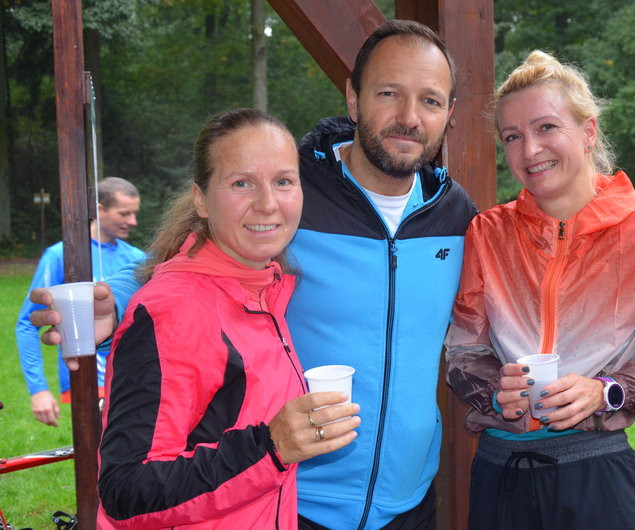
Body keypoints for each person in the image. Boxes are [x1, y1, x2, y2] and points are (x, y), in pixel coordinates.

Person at [30, 20, 476, 529]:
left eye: (431, 101)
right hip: (288, 497)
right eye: (389, 93)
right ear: (353, 99)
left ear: (450, 115)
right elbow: (199, 253)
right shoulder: (288, 193)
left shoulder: (455, 213)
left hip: (410, 504)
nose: (409, 117)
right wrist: (123, 295)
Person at [443, 50, 635, 529]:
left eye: (546, 128)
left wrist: (608, 391)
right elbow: (463, 351)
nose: (529, 150)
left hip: (596, 471)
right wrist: (495, 390)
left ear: (588, 131)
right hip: (501, 472)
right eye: (513, 137)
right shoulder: (486, 233)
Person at [95, 108, 359, 528]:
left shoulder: (263, 288)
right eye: (242, 183)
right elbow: (126, 490)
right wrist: (271, 447)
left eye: (283, 182)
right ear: (201, 199)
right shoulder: (176, 309)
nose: (268, 203)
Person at [16, 176, 145, 426]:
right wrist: (39, 389)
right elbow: (26, 324)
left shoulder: (138, 258)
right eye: (124, 213)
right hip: (87, 382)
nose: (133, 222)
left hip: (134, 381)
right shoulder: (61, 255)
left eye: (134, 213)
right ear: (99, 209)